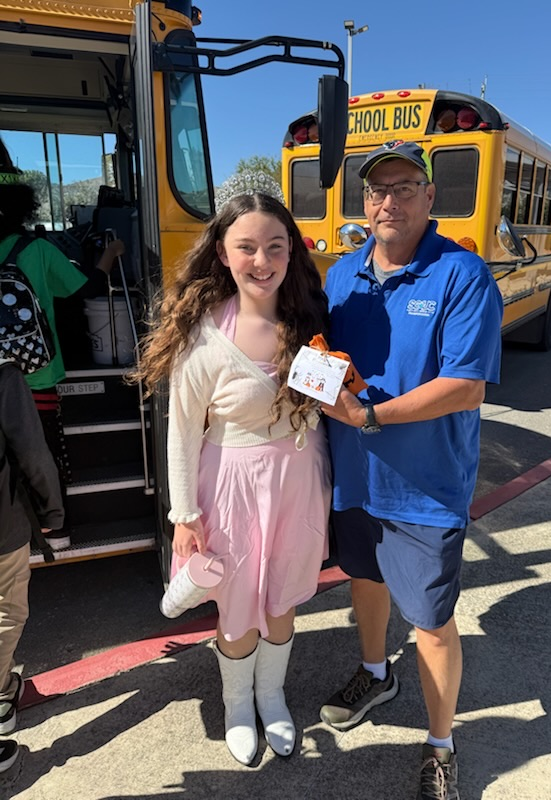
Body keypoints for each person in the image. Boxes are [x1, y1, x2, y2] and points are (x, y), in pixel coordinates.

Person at [319, 140, 504, 800]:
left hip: (424, 487)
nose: (388, 200)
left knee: (429, 622)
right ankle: (375, 672)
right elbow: (319, 359)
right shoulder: (341, 276)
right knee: (363, 580)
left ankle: (441, 744)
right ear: (363, 204)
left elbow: (465, 386)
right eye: (376, 190)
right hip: (354, 478)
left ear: (430, 198)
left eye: (404, 187)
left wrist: (370, 418)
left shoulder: (461, 274)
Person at [135, 192, 331, 765]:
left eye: (276, 246)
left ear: (291, 252)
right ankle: (237, 706)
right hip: (233, 488)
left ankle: (272, 698)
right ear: (222, 254)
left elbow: (321, 406)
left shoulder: (308, 318)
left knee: (282, 599)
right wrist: (184, 517)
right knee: (239, 605)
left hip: (299, 481)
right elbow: (183, 432)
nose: (262, 260)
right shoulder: (204, 335)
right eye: (246, 247)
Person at [0, 143, 124, 550]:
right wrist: (109, 253)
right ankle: (57, 530)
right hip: (35, 373)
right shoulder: (35, 249)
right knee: (45, 452)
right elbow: (86, 287)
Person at [0, 358, 65, 773]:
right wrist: (52, 511)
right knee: (7, 612)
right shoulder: (4, 375)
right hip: (2, 524)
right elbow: (32, 454)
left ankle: (6, 688)